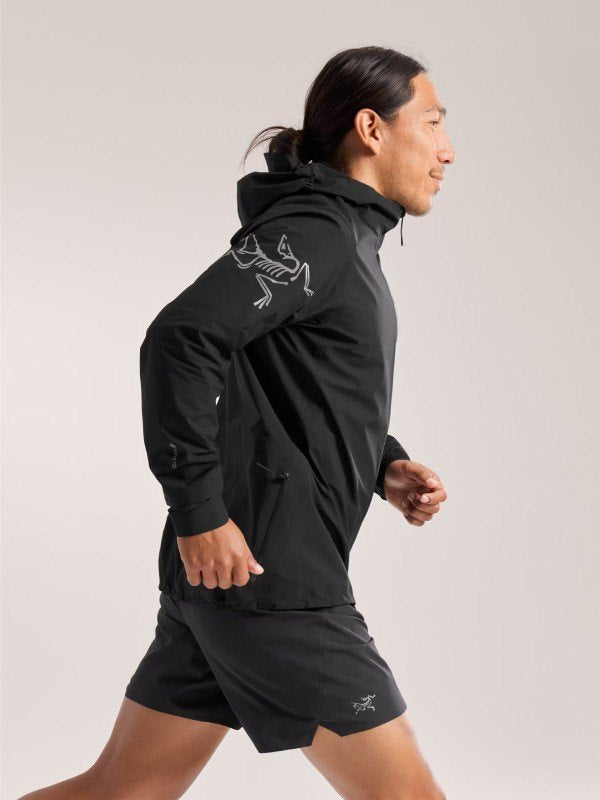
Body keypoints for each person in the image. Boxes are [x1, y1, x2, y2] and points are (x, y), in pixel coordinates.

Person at [19, 46, 454, 800]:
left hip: (231, 576)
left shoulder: (345, 236)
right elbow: (182, 338)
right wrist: (199, 513)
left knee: (120, 791)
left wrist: (384, 463)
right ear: (371, 129)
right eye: (434, 122)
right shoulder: (318, 233)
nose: (447, 150)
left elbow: (297, 386)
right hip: (270, 582)